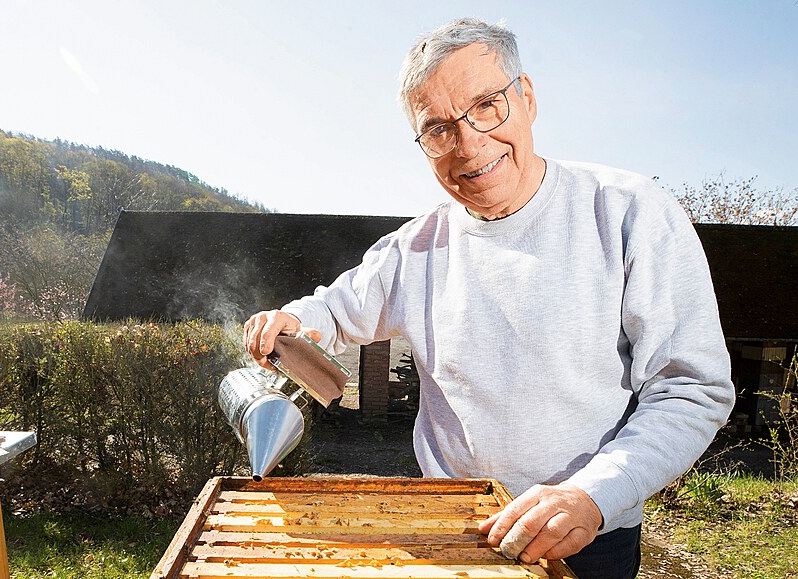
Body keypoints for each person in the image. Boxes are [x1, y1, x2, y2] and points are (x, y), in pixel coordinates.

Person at [243, 17, 734, 579]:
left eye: (486, 105)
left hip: (586, 536)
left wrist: (595, 494)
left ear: (525, 97)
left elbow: (691, 387)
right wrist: (291, 319)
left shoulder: (630, 213)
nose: (469, 143)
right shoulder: (413, 248)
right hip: (452, 527)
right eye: (437, 129)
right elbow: (333, 309)